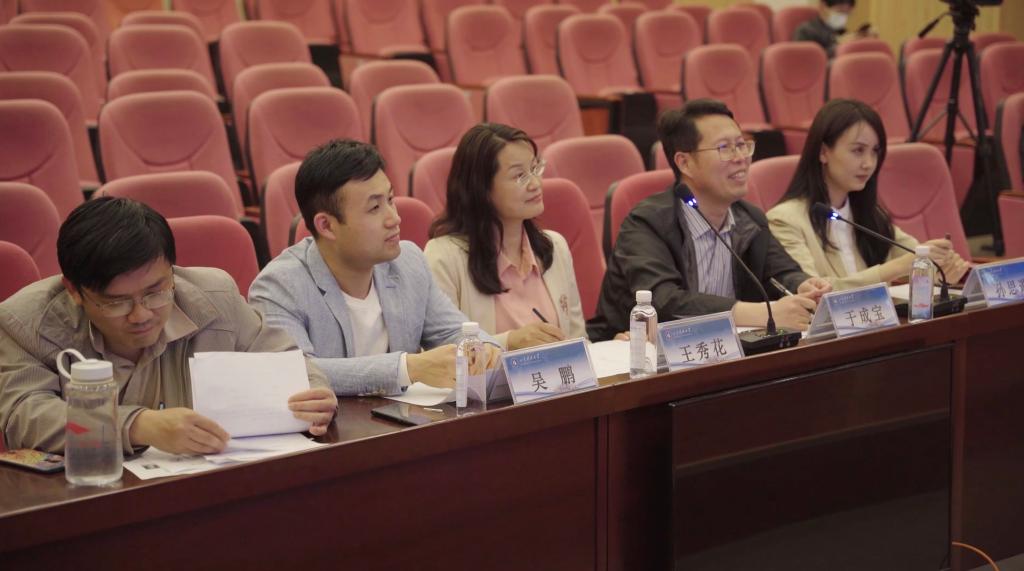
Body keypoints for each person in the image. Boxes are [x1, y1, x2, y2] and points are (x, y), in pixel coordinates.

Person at [0, 198, 337, 456]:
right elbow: (23, 417)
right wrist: (137, 425)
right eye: (116, 302)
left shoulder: (213, 297)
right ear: (74, 291)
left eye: (156, 292)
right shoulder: (24, 323)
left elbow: (285, 358)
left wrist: (315, 394)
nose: (141, 314)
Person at [249, 139, 500, 397]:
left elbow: (454, 331)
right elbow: (294, 372)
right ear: (326, 226)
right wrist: (406, 369)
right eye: (375, 208)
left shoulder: (408, 262)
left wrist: (483, 349)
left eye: (390, 199)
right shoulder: (279, 287)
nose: (394, 218)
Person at [587, 99, 831, 342]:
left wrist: (803, 286)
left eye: (742, 145)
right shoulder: (646, 223)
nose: (741, 157)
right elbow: (664, 302)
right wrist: (763, 313)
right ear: (685, 163)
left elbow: (781, 272)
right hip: (633, 353)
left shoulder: (749, 219)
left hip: (725, 351)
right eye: (725, 148)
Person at [767, 99, 970, 290]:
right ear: (823, 152)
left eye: (875, 151)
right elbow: (812, 291)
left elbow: (916, 257)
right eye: (858, 151)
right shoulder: (785, 220)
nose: (869, 163)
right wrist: (898, 267)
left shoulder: (869, 214)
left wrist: (941, 269)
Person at [424, 123, 587, 350]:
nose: (535, 184)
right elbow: (440, 352)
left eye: (534, 169)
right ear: (481, 188)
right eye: (520, 176)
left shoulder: (555, 246)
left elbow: (579, 341)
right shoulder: (444, 257)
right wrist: (509, 342)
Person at [793, 0, 873, 59]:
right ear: (823, 6)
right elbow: (806, 61)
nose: (843, 17)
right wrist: (840, 46)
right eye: (840, 11)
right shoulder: (806, 31)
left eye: (847, 13)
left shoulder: (842, 31)